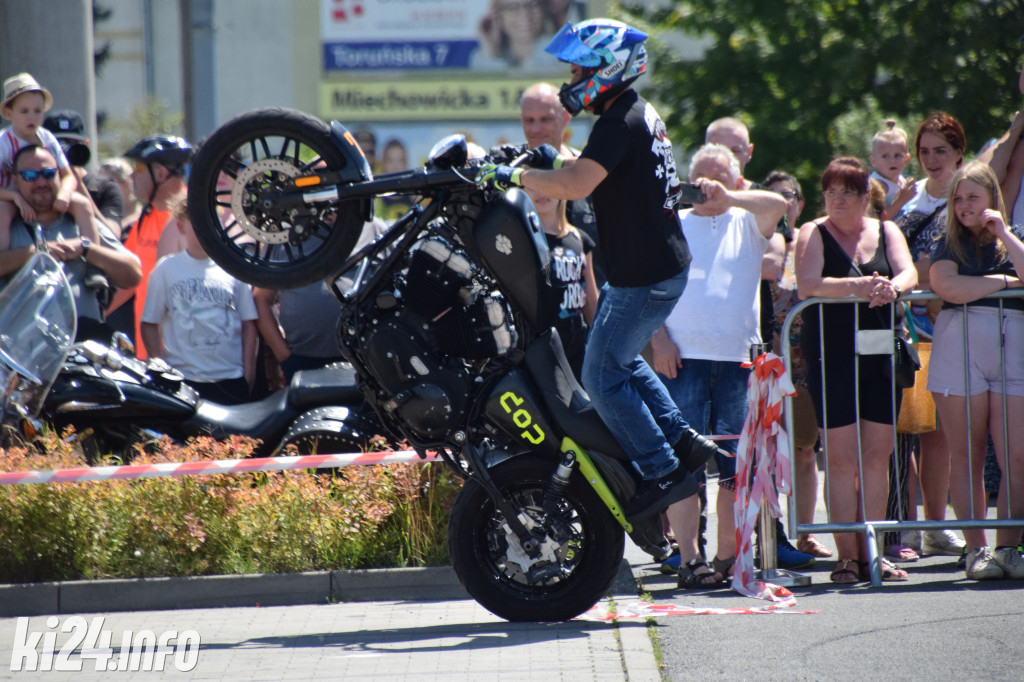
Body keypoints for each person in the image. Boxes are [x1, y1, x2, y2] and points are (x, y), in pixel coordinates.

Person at [476, 18, 721, 518]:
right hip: (653, 268)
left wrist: (513, 175)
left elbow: (576, 183)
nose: (569, 82)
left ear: (607, 68)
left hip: (644, 277)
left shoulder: (617, 122)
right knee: (623, 358)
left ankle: (662, 468)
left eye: (576, 69)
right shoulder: (636, 111)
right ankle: (683, 440)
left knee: (602, 374)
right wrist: (538, 160)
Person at [650, 144, 787, 587]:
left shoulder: (747, 221)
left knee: (735, 465)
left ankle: (728, 557)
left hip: (737, 362)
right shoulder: (672, 224)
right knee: (683, 464)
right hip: (681, 360)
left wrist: (728, 197)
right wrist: (659, 340)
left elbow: (779, 204)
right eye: (700, 179)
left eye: (718, 178)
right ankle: (690, 559)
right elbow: (648, 287)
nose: (707, 187)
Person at [794, 156, 918, 583]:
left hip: (880, 355)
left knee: (877, 456)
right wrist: (859, 286)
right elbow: (808, 283)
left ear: (867, 197)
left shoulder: (887, 229)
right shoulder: (813, 232)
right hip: (833, 357)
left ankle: (873, 552)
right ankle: (847, 556)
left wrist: (892, 287)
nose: (837, 200)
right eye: (830, 192)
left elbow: (909, 273)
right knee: (842, 460)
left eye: (847, 192)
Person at [703, 117, 812, 570]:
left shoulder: (760, 202)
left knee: (762, 446)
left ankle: (772, 535)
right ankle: (702, 548)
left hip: (758, 342)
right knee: (706, 447)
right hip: (705, 343)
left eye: (733, 149)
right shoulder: (696, 201)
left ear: (747, 153)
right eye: (715, 147)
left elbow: (772, 262)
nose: (724, 158)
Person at [927, 161, 1024, 579]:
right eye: (958, 198)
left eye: (973, 196)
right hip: (959, 347)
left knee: (1016, 457)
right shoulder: (947, 242)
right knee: (966, 453)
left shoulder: (1015, 236)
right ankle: (976, 551)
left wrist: (1002, 233)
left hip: (1014, 348)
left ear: (992, 199)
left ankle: (1009, 548)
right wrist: (1005, 282)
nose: (964, 205)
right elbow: (948, 287)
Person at [893, 112, 970, 561]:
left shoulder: (968, 196)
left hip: (954, 324)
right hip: (908, 327)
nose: (931, 159)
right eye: (924, 150)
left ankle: (939, 526)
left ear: (960, 151)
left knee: (949, 433)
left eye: (941, 149)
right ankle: (905, 530)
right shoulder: (907, 199)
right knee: (908, 431)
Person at [0, 145, 141, 343]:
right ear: (15, 180)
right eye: (30, 175)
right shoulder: (6, 222)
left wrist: (87, 249)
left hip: (81, 354)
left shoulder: (80, 220)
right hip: (20, 359)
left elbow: (133, 274)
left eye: (49, 174)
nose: (41, 182)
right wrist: (35, 253)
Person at [763, 170, 833, 559]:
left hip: (804, 365)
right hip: (765, 366)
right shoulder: (758, 243)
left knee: (806, 450)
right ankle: (773, 539)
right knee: (767, 452)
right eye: (771, 197)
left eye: (787, 196)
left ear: (799, 203)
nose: (781, 203)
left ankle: (805, 532)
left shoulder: (811, 244)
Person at [140, 195, 258, 405]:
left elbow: (249, 323)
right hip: (183, 380)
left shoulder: (235, 267)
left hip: (229, 379)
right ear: (181, 227)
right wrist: (158, 362)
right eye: (197, 225)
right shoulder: (166, 270)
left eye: (211, 223)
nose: (205, 231)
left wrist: (248, 371)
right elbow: (149, 322)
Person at [254, 217, 388, 386]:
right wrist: (285, 357)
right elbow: (261, 299)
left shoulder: (374, 228)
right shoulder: (283, 233)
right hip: (303, 362)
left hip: (366, 361)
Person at [104, 135, 193, 358]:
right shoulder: (148, 215)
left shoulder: (191, 219)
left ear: (161, 174)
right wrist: (93, 315)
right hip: (150, 354)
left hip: (183, 360)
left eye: (139, 168)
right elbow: (130, 281)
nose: (133, 175)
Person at [520, 82, 601, 285]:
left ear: (565, 117)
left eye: (545, 119)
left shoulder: (591, 171)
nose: (536, 128)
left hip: (597, 302)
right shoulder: (510, 176)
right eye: (529, 120)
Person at [521, 182, 598, 379]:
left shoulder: (579, 238)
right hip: (542, 347)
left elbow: (591, 298)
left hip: (579, 345)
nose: (541, 191)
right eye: (531, 185)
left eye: (548, 183)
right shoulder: (522, 239)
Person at [0, 73, 78, 252]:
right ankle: (4, 265)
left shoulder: (47, 137)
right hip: (12, 199)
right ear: (9, 113)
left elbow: (69, 176)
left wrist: (64, 194)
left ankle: (91, 258)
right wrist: (15, 197)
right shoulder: (3, 142)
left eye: (38, 111)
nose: (32, 117)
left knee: (81, 204)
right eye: (24, 111)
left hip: (44, 196)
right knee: (2, 211)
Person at [42, 109, 125, 237]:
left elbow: (112, 236)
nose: (63, 152)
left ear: (86, 144)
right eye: (57, 145)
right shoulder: (34, 183)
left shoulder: (105, 188)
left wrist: (78, 184)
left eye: (74, 144)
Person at [868, 120, 917, 218]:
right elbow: (875, 219)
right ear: (873, 161)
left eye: (897, 155)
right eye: (885, 156)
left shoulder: (901, 179)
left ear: (906, 159)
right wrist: (901, 200)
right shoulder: (877, 185)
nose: (892, 161)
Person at [97, 157, 143, 231]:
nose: (100, 188)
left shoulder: (144, 216)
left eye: (108, 183)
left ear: (126, 183)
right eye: (98, 182)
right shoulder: (97, 214)